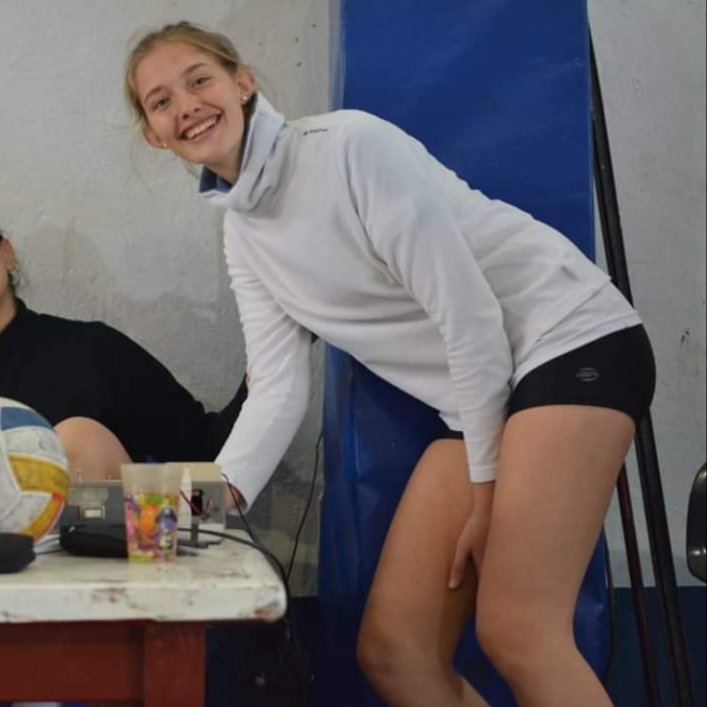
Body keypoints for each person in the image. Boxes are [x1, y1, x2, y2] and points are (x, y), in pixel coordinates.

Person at [123, 22, 656, 707]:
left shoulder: (349, 146)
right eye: (162, 101)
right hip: (488, 399)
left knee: (520, 631)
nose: (187, 105)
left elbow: (469, 315)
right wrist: (188, 512)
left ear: (242, 82)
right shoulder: (243, 233)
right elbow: (277, 390)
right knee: (396, 651)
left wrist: (486, 489)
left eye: (199, 79)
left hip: (570, 341)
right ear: (154, 135)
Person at [0, 229, 247, 481]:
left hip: (121, 500)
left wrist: (264, 369)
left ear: (6, 254)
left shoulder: (90, 354)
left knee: (76, 440)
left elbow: (203, 458)